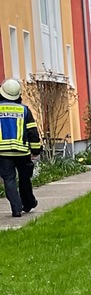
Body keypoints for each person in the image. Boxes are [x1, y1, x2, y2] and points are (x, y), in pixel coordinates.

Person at [0, 78, 41, 218]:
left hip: (3, 153)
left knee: (9, 180)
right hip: (22, 152)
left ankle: (16, 209)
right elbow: (32, 132)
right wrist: (35, 150)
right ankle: (28, 202)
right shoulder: (24, 110)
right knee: (24, 178)